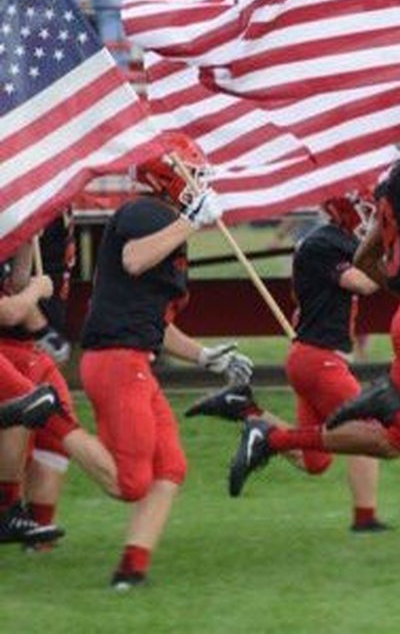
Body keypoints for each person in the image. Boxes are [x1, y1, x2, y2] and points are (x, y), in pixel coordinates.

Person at [78, 135, 253, 589]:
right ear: (167, 176)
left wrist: (205, 357)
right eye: (191, 172)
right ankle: (54, 425)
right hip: (118, 361)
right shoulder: (145, 213)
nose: (198, 180)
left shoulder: (164, 221)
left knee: (170, 467)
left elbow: (153, 320)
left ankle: (131, 571)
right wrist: (190, 222)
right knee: (131, 482)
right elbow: (134, 259)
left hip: (130, 356)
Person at [216, 192, 400, 532]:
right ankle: (365, 519)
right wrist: (391, 258)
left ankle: (249, 413)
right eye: (367, 211)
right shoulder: (325, 243)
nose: (372, 219)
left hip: (313, 357)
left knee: (315, 461)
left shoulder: (333, 240)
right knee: (369, 431)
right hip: (319, 359)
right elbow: (361, 283)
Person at [0, 246, 123, 547]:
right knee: (29, 408)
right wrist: (38, 298)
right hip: (10, 346)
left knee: (52, 433)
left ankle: (36, 534)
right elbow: (9, 311)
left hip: (29, 349)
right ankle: (7, 510)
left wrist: (30, 232)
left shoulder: (37, 219)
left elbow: (15, 282)